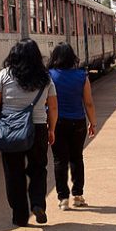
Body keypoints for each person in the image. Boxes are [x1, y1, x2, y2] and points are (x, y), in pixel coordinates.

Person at [0, 38, 58, 226]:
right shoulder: (46, 77)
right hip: (37, 127)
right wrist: (51, 128)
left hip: (11, 129)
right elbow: (52, 107)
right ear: (37, 57)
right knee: (38, 169)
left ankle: (19, 216)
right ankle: (37, 203)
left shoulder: (4, 75)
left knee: (13, 172)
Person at [47, 42, 97, 211]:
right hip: (78, 122)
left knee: (59, 160)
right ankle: (78, 195)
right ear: (72, 57)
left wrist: (49, 127)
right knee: (77, 158)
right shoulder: (82, 75)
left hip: (57, 122)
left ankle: (63, 199)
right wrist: (93, 123)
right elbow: (88, 103)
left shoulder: (49, 76)